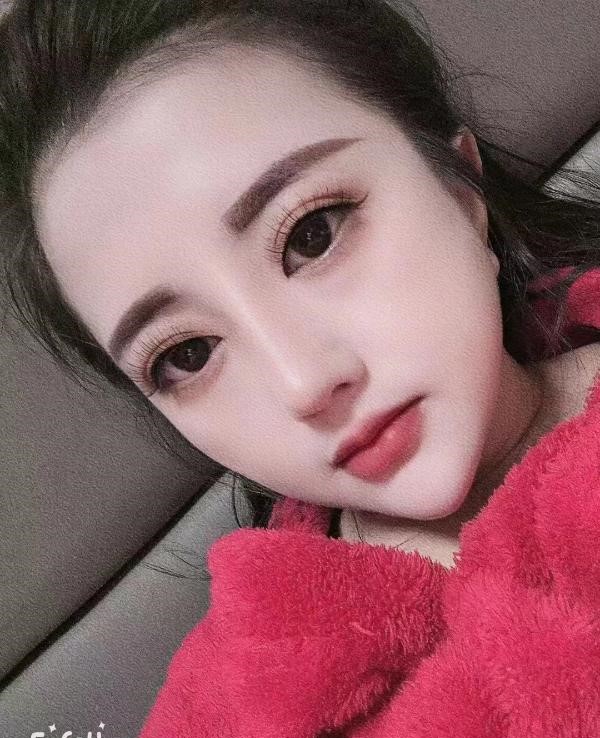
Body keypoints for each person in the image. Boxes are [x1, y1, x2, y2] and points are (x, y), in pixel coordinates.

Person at [1, 0, 599, 735]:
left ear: (459, 191)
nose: (304, 383)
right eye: (186, 356)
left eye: (311, 236)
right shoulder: (230, 700)